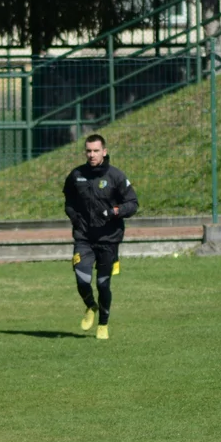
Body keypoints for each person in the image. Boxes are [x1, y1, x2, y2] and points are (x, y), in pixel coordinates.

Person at [63, 134, 138, 340]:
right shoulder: (76, 175)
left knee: (103, 284)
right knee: (82, 279)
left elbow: (132, 204)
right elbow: (68, 202)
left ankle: (103, 324)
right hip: (84, 238)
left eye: (96, 151)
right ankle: (90, 305)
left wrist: (114, 211)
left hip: (109, 239)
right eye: (88, 151)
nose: (92, 155)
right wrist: (75, 218)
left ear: (104, 151)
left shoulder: (116, 176)